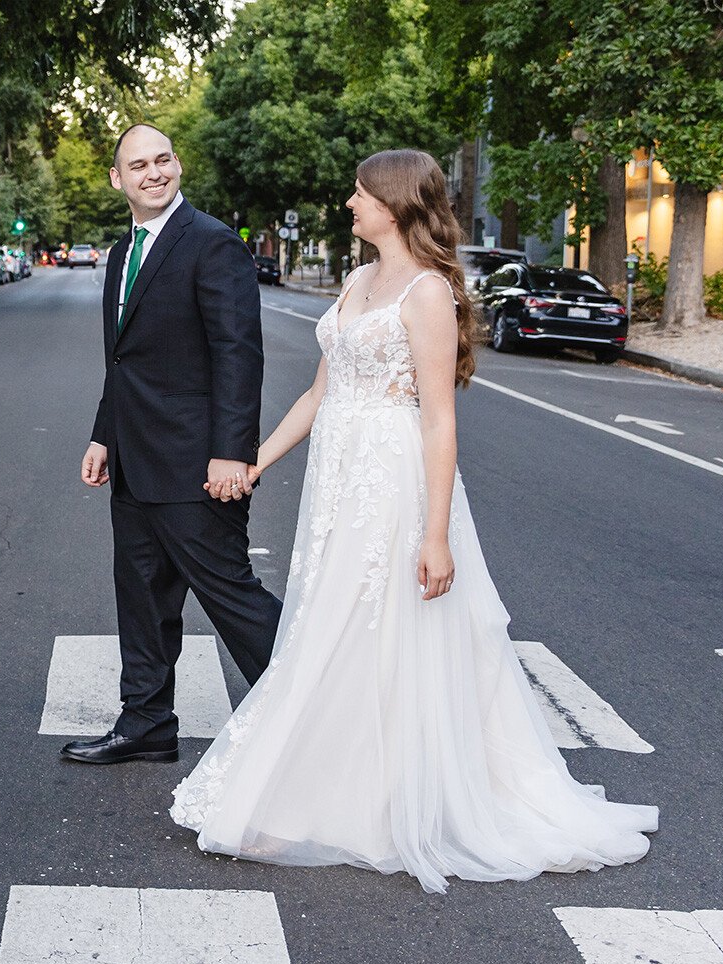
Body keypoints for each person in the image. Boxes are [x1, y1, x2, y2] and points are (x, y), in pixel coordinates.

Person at [170, 149, 658, 893]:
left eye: (359, 194)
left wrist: (435, 534)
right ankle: (333, 786)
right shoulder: (359, 280)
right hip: (338, 480)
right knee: (328, 623)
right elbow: (317, 395)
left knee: (379, 628)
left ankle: (378, 802)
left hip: (394, 481)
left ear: (392, 205)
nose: (348, 204)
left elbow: (439, 423)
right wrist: (255, 461)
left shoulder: (428, 294)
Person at [63, 124, 284, 765]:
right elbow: (123, 361)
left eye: (163, 160)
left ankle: (324, 709)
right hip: (134, 461)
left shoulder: (213, 244)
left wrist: (232, 450)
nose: (153, 173)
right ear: (117, 179)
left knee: (231, 596)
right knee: (142, 598)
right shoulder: (119, 253)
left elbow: (238, 355)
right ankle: (147, 724)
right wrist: (104, 435)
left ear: (177, 165)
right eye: (139, 165)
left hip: (197, 463)